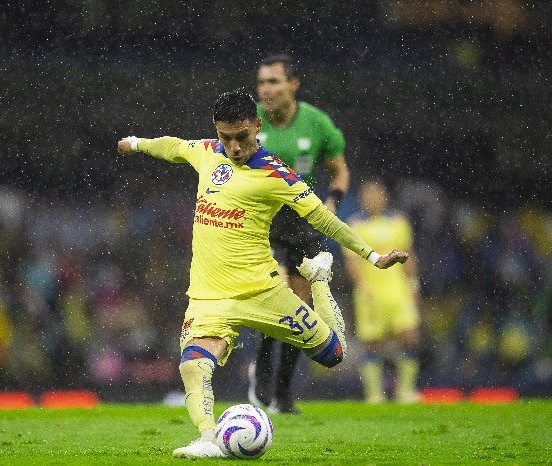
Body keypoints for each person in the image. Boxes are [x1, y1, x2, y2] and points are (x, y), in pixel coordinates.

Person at [117, 89, 408, 459]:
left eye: (242, 136)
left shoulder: (276, 173)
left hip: (263, 291)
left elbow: (322, 217)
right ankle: (208, 440)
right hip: (210, 296)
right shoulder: (207, 153)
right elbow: (173, 146)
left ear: (257, 126)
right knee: (193, 366)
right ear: (216, 131)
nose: (235, 146)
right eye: (226, 137)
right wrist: (139, 143)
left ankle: (319, 282)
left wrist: (372, 255)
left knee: (334, 354)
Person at [248, 53, 350, 414]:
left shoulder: (317, 123)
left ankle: (284, 390)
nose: (266, 90)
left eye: (273, 81)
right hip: (262, 222)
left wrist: (333, 201)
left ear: (293, 84)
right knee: (279, 295)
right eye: (261, 83)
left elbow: (339, 170)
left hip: (302, 221)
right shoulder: (250, 123)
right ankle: (260, 363)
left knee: (303, 308)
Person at [343, 179, 421, 403]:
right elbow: (352, 261)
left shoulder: (399, 222)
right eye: (367, 195)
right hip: (370, 293)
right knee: (372, 343)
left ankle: (405, 391)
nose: (372, 199)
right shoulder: (355, 225)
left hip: (398, 291)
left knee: (409, 337)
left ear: (384, 196)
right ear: (362, 199)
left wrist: (413, 286)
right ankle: (374, 395)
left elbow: (409, 256)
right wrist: (361, 287)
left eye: (376, 194)